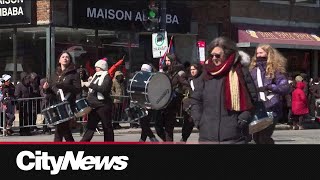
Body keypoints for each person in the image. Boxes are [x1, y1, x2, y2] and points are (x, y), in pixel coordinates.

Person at [190, 36, 255, 144]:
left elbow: (253, 99)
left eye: (218, 55)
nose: (214, 58)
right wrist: (198, 120)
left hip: (235, 137)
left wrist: (243, 119)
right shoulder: (206, 74)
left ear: (227, 54)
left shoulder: (241, 72)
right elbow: (196, 99)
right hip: (207, 136)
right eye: (212, 55)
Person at [249, 44, 289, 144]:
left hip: (271, 107)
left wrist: (269, 87)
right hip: (256, 107)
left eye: (261, 53)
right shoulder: (253, 70)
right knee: (256, 138)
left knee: (264, 137)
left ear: (268, 54)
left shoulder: (276, 70)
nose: (258, 55)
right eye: (257, 53)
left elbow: (284, 87)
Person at [43, 51, 81, 142]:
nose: (65, 58)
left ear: (70, 60)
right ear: (59, 60)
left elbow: (77, 89)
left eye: (67, 57)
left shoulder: (74, 74)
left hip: (67, 104)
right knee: (63, 130)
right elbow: (51, 91)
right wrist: (46, 89)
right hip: (56, 104)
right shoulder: (54, 74)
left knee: (61, 129)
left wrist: (64, 86)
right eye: (63, 57)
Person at [156, 53, 190, 142]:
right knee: (158, 127)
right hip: (163, 104)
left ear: (173, 61)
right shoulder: (165, 72)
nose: (167, 62)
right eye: (166, 60)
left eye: (168, 60)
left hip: (172, 105)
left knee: (168, 129)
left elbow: (186, 86)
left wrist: (183, 94)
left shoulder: (179, 73)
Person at [80, 58, 114, 142]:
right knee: (90, 127)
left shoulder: (107, 77)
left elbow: (104, 89)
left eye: (97, 67)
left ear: (102, 67)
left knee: (107, 127)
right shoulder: (95, 76)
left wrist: (90, 85)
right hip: (93, 105)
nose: (95, 68)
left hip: (103, 105)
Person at [136, 64, 159, 142]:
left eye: (145, 71)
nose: (143, 72)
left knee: (144, 123)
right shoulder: (139, 79)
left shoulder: (152, 80)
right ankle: (142, 140)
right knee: (143, 123)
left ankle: (152, 139)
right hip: (141, 104)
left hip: (149, 105)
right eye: (142, 70)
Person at [180, 63, 202, 142]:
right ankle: (183, 140)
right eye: (191, 70)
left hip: (200, 108)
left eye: (194, 69)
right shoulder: (189, 80)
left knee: (202, 127)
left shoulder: (202, 80)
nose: (192, 71)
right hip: (189, 108)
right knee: (187, 126)